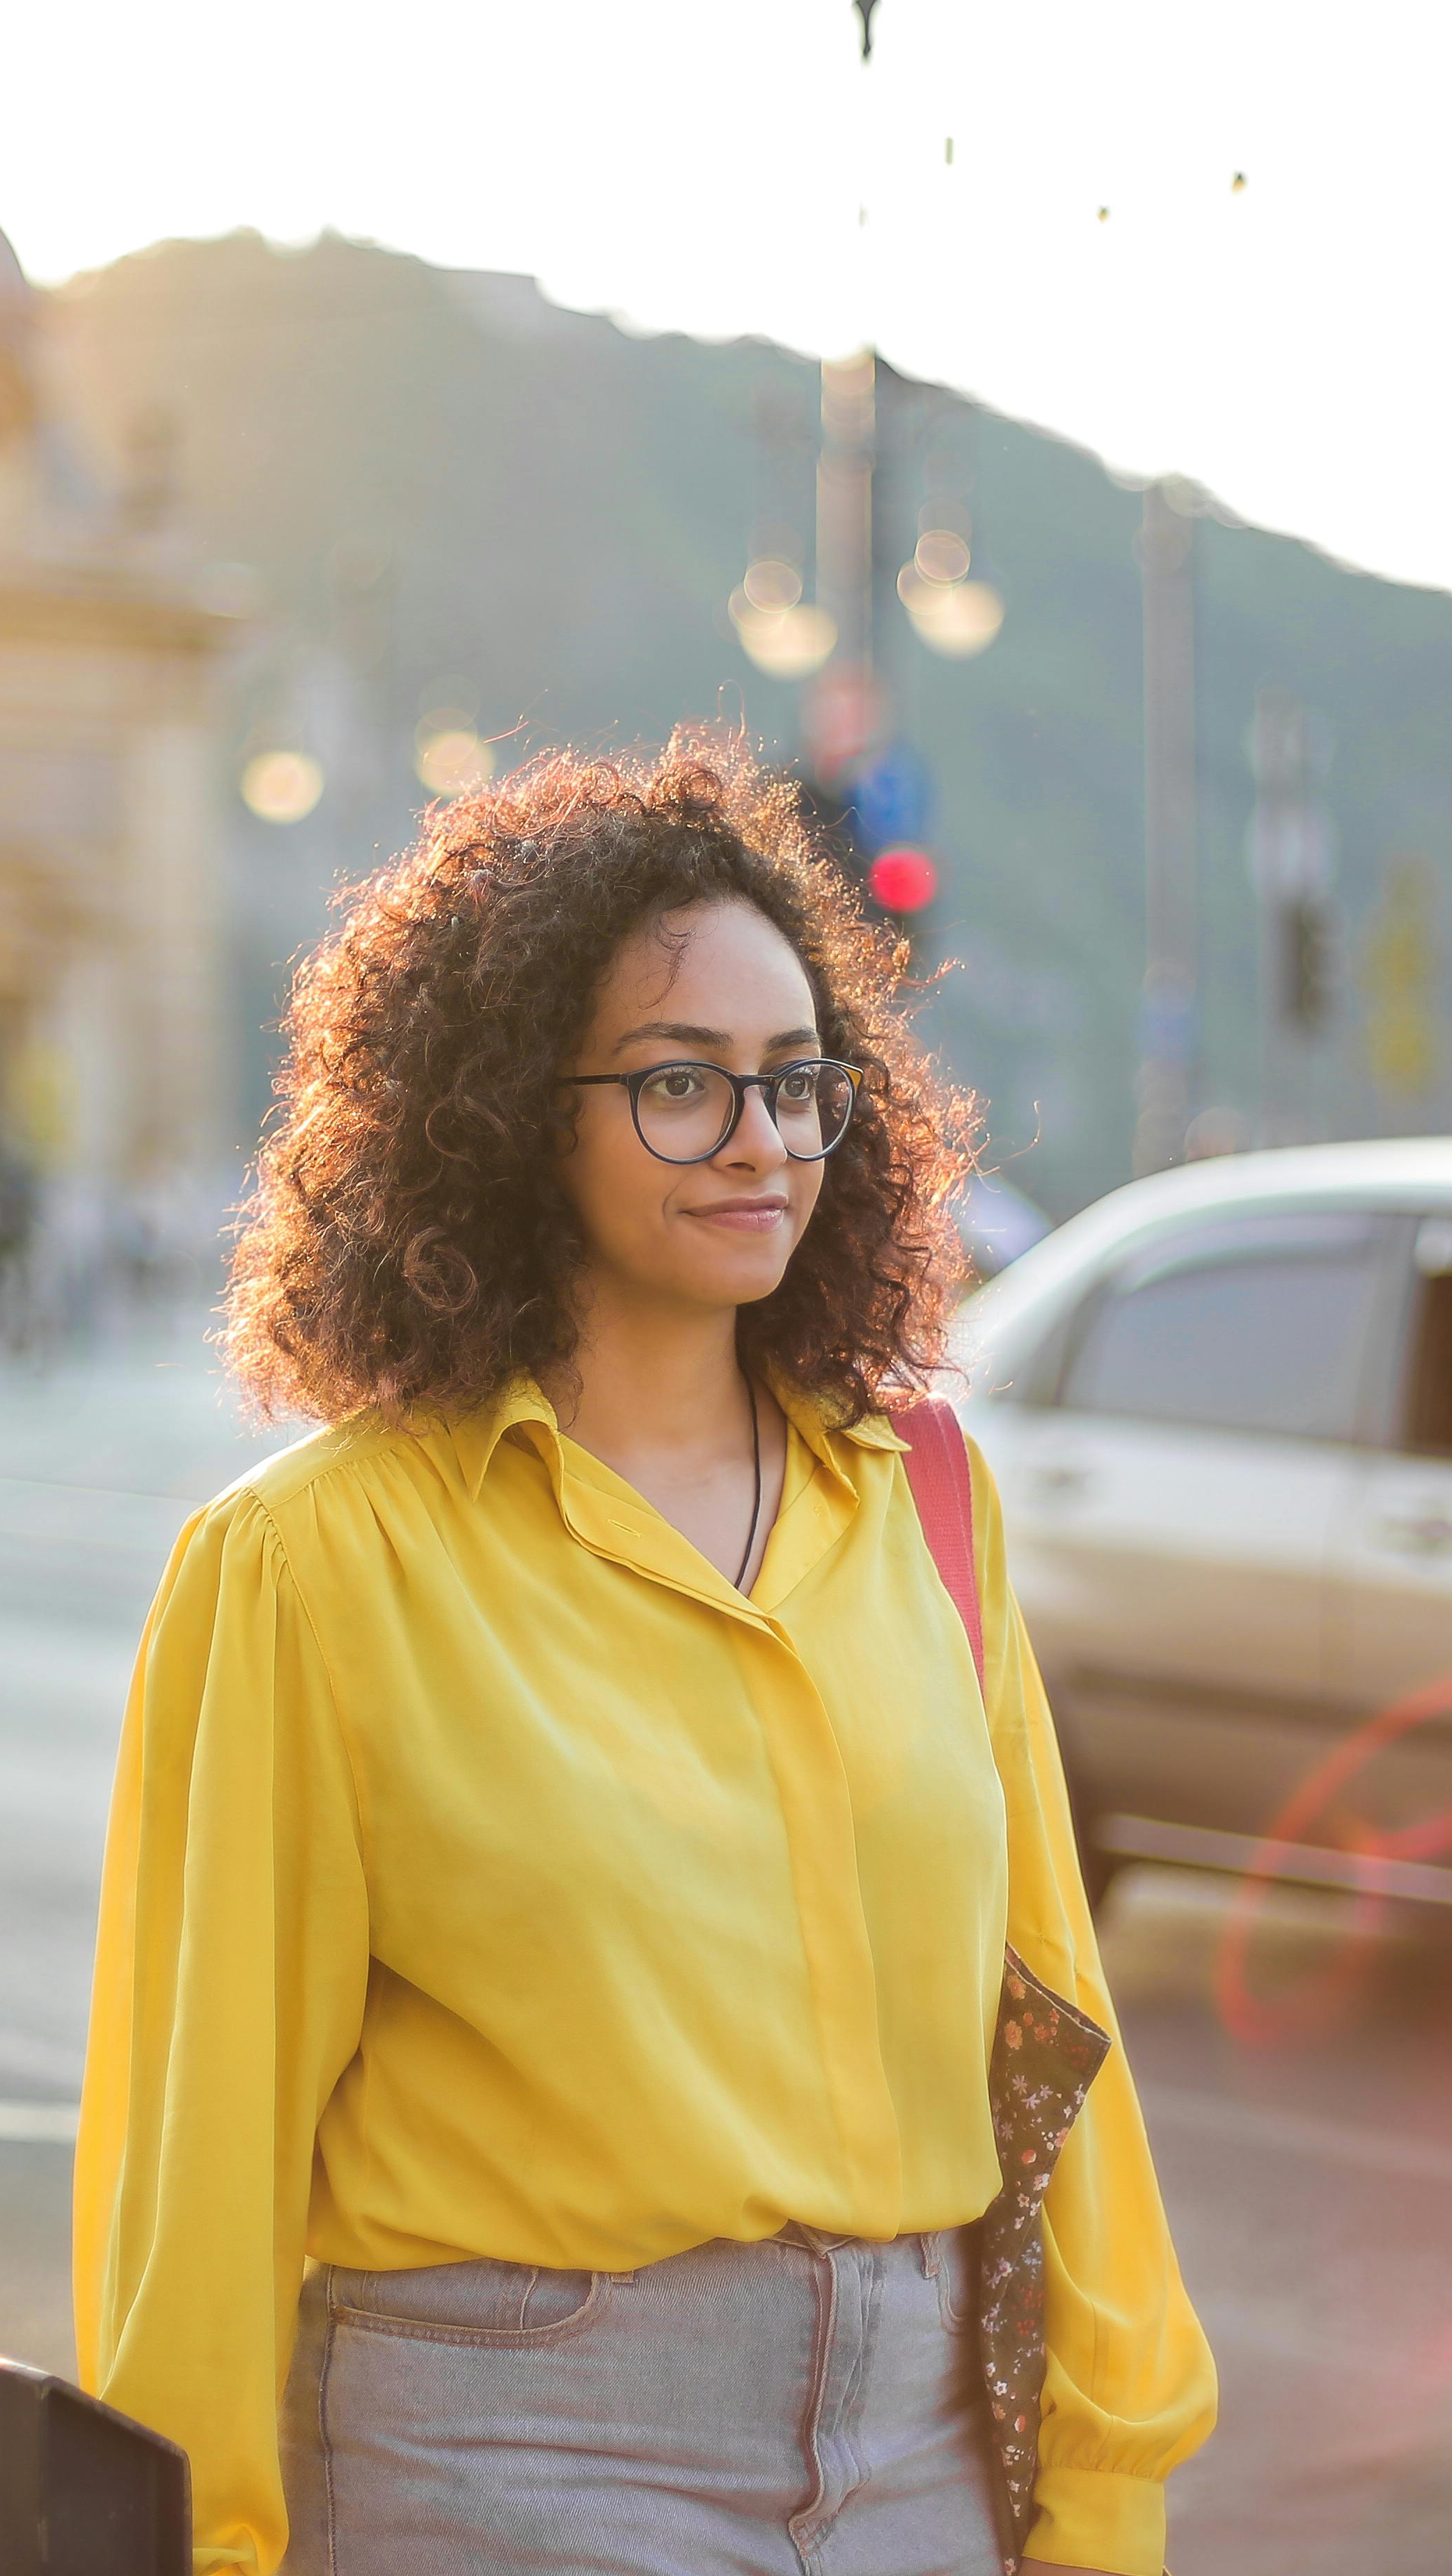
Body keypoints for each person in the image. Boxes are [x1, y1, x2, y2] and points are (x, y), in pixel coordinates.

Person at [74, 730, 1213, 2574]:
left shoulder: (925, 1497)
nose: (763, 1142)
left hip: (926, 2462)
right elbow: (194, 2161)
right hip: (503, 2457)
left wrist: (1102, 2487)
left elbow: (1060, 2047)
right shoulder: (309, 1564)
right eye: (681, 1086)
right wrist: (198, 2540)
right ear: (518, 1108)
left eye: (797, 1081)